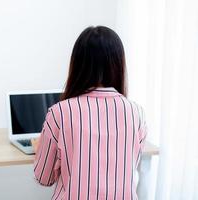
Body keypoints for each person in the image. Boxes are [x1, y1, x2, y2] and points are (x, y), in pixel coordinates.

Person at [31, 26, 147, 200]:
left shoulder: (60, 113)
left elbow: (43, 178)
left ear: (77, 64)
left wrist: (43, 150)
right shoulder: (137, 113)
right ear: (119, 64)